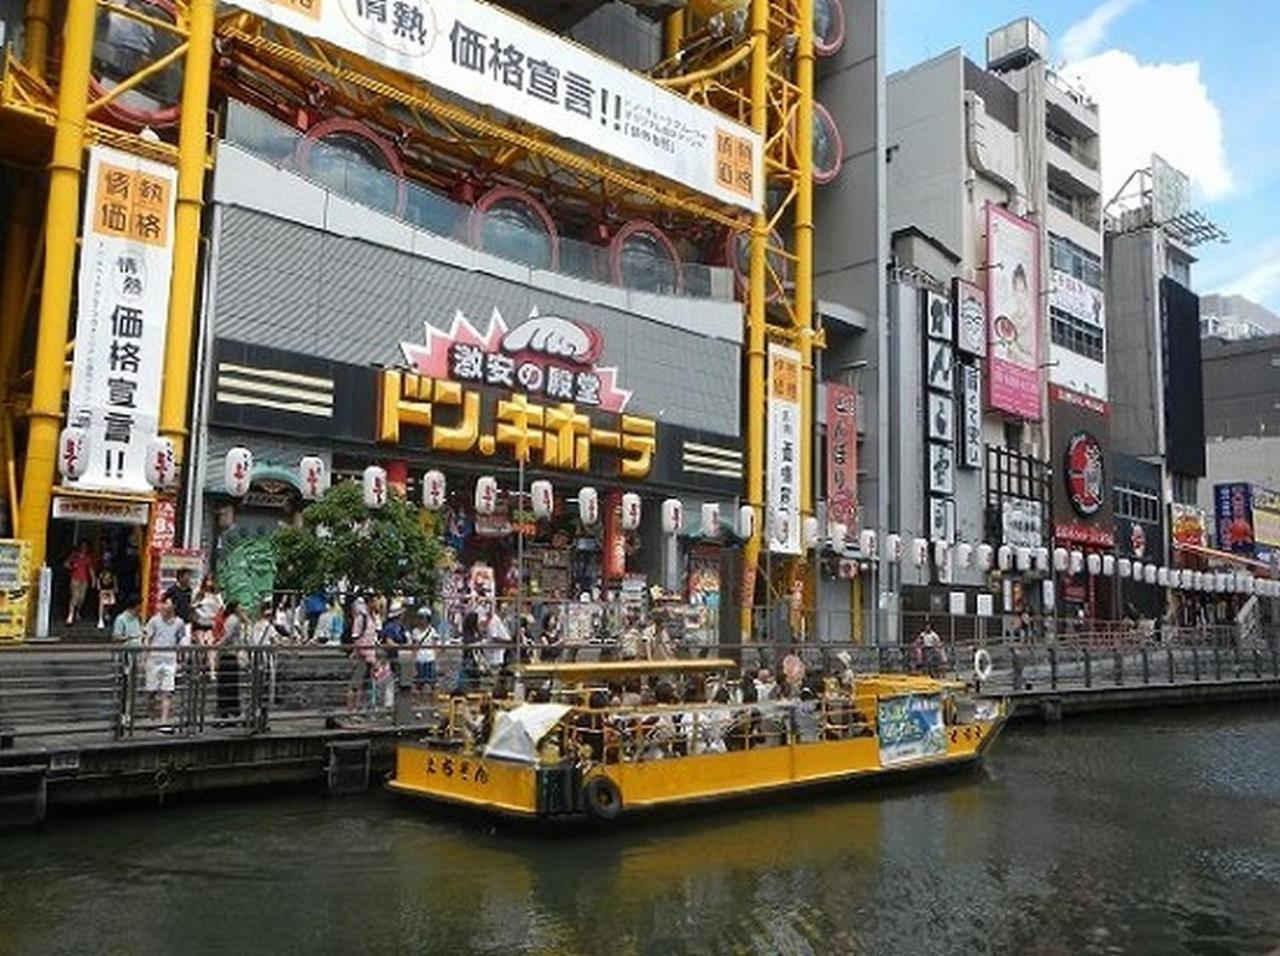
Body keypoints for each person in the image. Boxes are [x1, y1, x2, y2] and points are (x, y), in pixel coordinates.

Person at [143, 597, 188, 729]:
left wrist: (181, 658)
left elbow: (180, 640)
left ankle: (163, 722)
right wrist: (144, 657)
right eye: (163, 603)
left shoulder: (179, 622)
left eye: (167, 603)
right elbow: (147, 638)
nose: (163, 606)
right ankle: (151, 717)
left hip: (170, 660)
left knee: (167, 691)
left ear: (173, 606)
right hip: (154, 659)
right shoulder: (154, 620)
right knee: (151, 691)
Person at [112, 595, 144, 729]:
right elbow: (116, 637)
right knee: (124, 687)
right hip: (125, 657)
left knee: (132, 687)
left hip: (136, 656)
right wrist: (128, 638)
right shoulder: (121, 619)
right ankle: (122, 714)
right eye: (140, 605)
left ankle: (129, 713)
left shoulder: (137, 619)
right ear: (135, 605)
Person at [215, 600, 246, 722]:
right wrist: (218, 646)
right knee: (229, 684)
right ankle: (229, 711)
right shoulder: (233, 620)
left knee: (227, 684)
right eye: (240, 606)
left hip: (229, 654)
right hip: (229, 654)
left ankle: (226, 711)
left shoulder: (232, 619)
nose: (242, 608)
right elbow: (227, 636)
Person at [346, 597, 378, 711]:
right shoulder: (361, 618)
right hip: (362, 656)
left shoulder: (372, 618)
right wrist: (362, 653)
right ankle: (351, 710)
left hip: (370, 657)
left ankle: (357, 709)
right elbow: (356, 637)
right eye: (375, 600)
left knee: (361, 685)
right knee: (355, 685)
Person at [192, 575, 224, 676]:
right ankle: (200, 668)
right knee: (202, 645)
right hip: (199, 623)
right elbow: (192, 605)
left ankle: (212, 671)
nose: (209, 583)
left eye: (211, 580)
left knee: (210, 646)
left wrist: (216, 616)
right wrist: (197, 606)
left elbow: (222, 607)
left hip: (210, 623)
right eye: (207, 580)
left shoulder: (216, 595)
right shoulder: (198, 592)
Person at [64, 541, 96, 625]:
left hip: (84, 580)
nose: (84, 548)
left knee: (81, 598)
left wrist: (93, 580)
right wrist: (72, 567)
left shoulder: (88, 558)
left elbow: (90, 569)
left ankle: (77, 611)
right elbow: (66, 564)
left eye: (85, 547)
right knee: (74, 597)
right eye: (82, 546)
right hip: (75, 578)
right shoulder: (74, 556)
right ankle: (70, 615)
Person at [411, 610, 439, 703]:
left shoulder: (432, 630)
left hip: (430, 658)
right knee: (419, 684)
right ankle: (419, 705)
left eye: (423, 618)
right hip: (419, 659)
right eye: (420, 617)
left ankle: (433, 705)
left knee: (433, 683)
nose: (421, 620)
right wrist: (413, 659)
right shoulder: (415, 631)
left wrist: (436, 658)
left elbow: (435, 646)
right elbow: (415, 647)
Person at [96, 555, 117, 629]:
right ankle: (100, 619)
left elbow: (114, 578)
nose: (106, 563)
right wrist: (98, 585)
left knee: (111, 603)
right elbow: (98, 578)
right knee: (102, 604)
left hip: (110, 588)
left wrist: (116, 587)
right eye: (105, 561)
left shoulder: (112, 569)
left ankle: (106, 612)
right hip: (103, 588)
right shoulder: (100, 569)